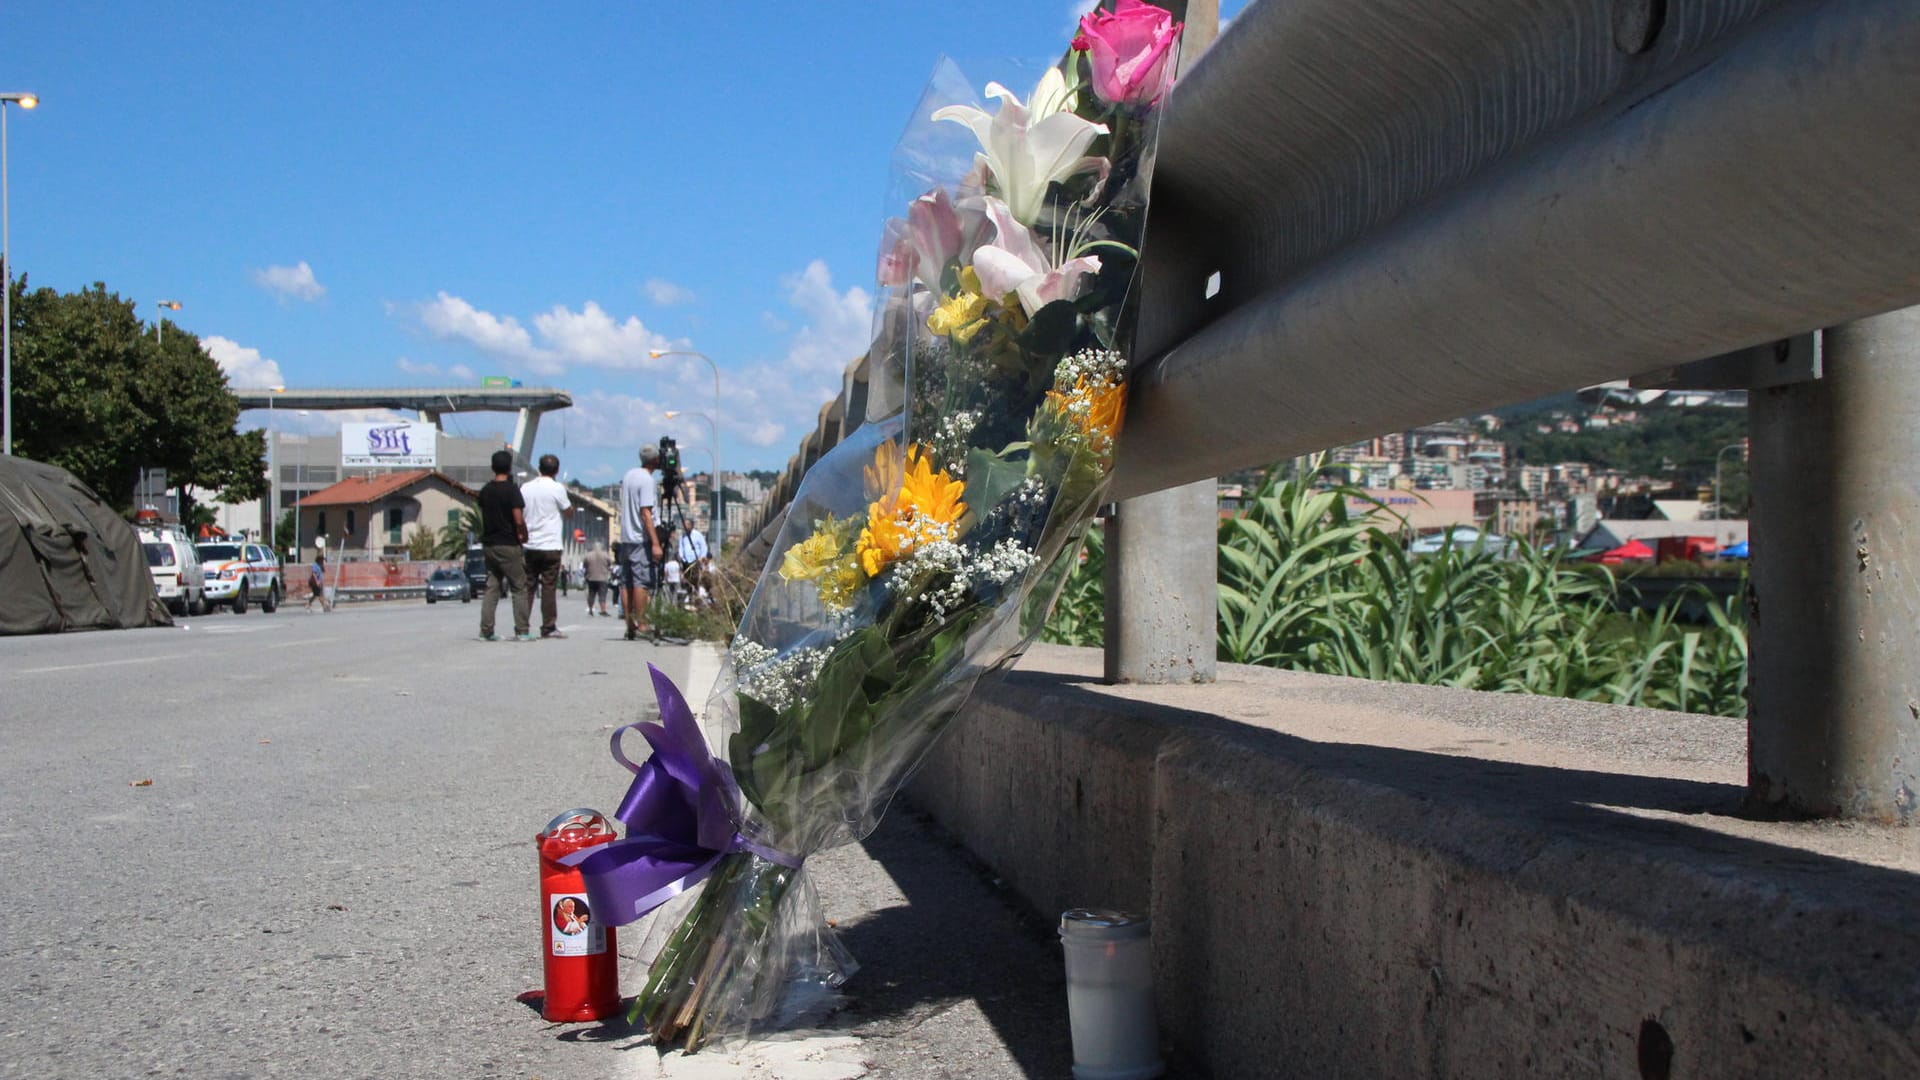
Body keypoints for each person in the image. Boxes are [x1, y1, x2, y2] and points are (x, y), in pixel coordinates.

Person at [477, 449, 532, 642]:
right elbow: (518, 518)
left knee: (492, 586)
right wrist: (523, 533)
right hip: (508, 543)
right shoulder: (512, 490)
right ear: (509, 468)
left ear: (493, 467)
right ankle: (522, 630)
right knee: (519, 586)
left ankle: (486, 630)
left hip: (490, 545)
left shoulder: (485, 491)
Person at [520, 453, 573, 640]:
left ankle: (522, 625)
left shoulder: (525, 487)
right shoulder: (557, 488)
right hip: (550, 544)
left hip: (529, 544)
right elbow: (568, 511)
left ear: (538, 468)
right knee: (549, 587)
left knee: (528, 586)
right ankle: (548, 626)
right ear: (556, 470)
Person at [617, 445, 665, 640]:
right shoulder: (647, 480)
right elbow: (646, 513)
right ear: (655, 461)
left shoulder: (629, 475)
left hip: (626, 537)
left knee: (625, 582)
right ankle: (643, 623)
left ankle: (630, 624)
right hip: (640, 538)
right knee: (641, 582)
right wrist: (655, 543)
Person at [678, 517, 712, 608]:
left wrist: (701, 557)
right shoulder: (682, 536)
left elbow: (703, 546)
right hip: (686, 561)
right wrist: (681, 556)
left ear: (692, 525)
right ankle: (690, 597)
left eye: (687, 524)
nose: (685, 526)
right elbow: (681, 547)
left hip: (695, 561)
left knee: (696, 579)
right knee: (687, 580)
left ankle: (697, 597)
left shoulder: (698, 535)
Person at [582, 542, 613, 616]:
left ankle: (590, 609)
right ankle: (603, 610)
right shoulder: (605, 555)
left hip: (591, 577)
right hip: (602, 578)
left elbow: (584, 565)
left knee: (591, 594)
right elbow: (610, 563)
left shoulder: (588, 555)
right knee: (602, 595)